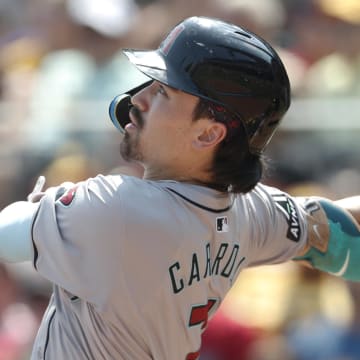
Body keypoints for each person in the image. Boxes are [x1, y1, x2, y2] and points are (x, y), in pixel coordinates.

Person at [1, 16, 360, 360]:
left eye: (162, 93)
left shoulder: (115, 209)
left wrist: (47, 205)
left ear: (208, 133)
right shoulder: (252, 214)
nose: (138, 99)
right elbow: (340, 233)